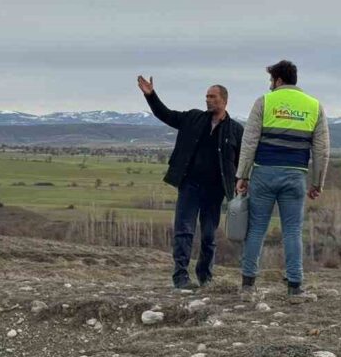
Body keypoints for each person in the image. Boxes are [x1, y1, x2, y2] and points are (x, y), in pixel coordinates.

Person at [235, 60, 329, 303]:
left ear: (277, 80)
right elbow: (321, 150)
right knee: (292, 231)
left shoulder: (264, 102)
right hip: (295, 175)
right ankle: (295, 288)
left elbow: (249, 142)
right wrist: (317, 182)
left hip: (264, 173)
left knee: (256, 228)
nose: (269, 86)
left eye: (271, 81)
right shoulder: (314, 106)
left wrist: (242, 176)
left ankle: (247, 285)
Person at [138, 75, 244, 289]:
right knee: (184, 230)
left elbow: (242, 160)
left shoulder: (235, 130)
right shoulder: (193, 118)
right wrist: (151, 96)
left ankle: (205, 277)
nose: (208, 100)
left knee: (208, 235)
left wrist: (241, 181)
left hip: (215, 190)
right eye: (206, 96)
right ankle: (181, 277)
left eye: (212, 96)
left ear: (224, 100)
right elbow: (165, 114)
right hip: (190, 185)